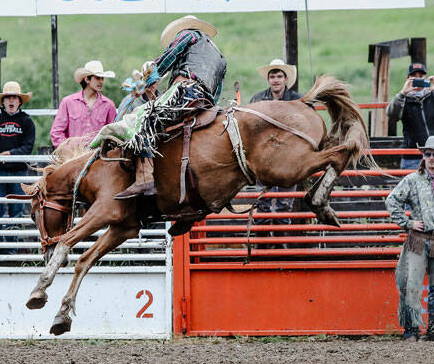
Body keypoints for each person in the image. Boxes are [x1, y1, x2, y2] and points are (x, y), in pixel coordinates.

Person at [113, 15, 226, 199]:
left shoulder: (188, 34)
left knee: (146, 118)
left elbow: (168, 57)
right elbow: (217, 89)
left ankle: (144, 178)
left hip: (186, 92)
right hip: (204, 101)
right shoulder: (218, 55)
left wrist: (145, 80)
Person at [385, 135, 434, 341]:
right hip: (418, 239)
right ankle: (411, 330)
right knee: (412, 283)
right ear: (423, 156)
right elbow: (392, 200)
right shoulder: (412, 180)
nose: (431, 158)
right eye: (427, 154)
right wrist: (408, 223)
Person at [0, 81, 36, 251]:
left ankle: (12, 248)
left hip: (18, 171)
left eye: (14, 98)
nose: (11, 101)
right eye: (7, 98)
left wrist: (10, 154)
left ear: (19, 101)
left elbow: (28, 147)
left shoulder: (27, 122)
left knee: (16, 211)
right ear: (2, 101)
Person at [249, 59, 303, 235]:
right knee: (263, 201)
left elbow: (306, 125)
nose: (276, 80)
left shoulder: (297, 100)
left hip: (289, 157)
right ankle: (263, 245)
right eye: (272, 76)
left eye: (279, 76)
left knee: (284, 204)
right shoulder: (258, 99)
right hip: (264, 157)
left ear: (286, 79)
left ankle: (279, 245)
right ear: (268, 79)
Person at [386, 61, 434, 170]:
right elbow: (392, 114)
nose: (418, 80)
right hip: (413, 156)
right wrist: (402, 93)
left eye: (421, 76)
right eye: (414, 77)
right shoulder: (403, 99)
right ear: (408, 79)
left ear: (426, 78)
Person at [50, 60, 116, 148]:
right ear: (87, 79)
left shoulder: (109, 105)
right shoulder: (68, 102)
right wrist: (68, 151)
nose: (101, 82)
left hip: (98, 158)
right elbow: (56, 132)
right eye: (97, 78)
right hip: (73, 156)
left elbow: (113, 134)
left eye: (102, 78)